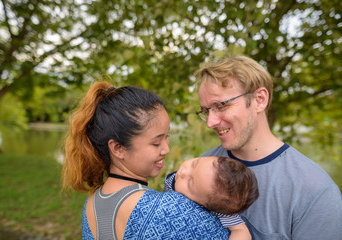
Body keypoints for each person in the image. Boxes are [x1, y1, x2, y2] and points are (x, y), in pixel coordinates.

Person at [194, 55, 342, 239]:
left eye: (221, 106)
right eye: (206, 110)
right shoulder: (199, 168)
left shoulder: (316, 192)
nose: (211, 122)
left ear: (259, 99)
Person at [61, 81, 230, 240]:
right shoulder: (170, 209)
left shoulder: (91, 204)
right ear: (118, 148)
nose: (166, 149)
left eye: (167, 137)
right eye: (156, 143)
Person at [164, 156, 259, 240]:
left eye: (189, 183)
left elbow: (241, 231)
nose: (183, 172)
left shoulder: (218, 210)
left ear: (205, 205)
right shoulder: (202, 175)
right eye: (194, 164)